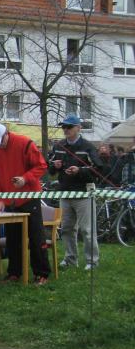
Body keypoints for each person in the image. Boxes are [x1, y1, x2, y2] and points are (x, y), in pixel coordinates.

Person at [0, 122, 50, 284]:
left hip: (29, 197)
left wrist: (25, 179)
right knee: (12, 238)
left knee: (36, 236)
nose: (0, 145)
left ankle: (42, 273)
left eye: (1, 141)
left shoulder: (24, 143)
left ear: (7, 133)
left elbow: (41, 165)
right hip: (10, 200)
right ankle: (14, 272)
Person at [47, 115, 103, 270]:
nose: (66, 130)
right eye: (64, 127)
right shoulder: (58, 145)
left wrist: (80, 170)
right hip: (65, 193)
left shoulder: (88, 147)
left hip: (83, 193)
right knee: (66, 229)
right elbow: (50, 169)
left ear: (79, 128)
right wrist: (55, 166)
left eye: (69, 127)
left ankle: (92, 261)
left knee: (87, 230)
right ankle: (70, 259)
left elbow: (98, 169)